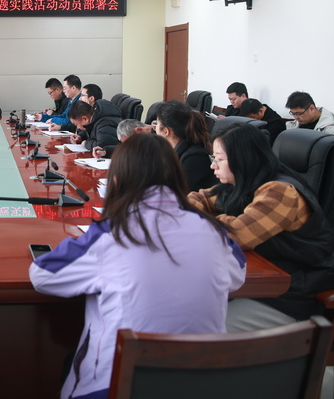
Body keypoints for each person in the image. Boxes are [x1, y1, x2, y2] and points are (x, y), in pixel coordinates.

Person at [29, 133, 245, 399]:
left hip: (119, 385)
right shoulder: (213, 231)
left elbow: (43, 275)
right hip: (202, 385)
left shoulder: (112, 233)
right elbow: (237, 275)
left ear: (116, 179)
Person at [188, 123, 334, 331]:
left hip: (291, 295)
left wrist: (199, 218)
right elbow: (195, 199)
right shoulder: (241, 182)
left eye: (219, 159)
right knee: (189, 309)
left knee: (202, 329)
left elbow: (237, 235)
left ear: (243, 159)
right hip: (261, 280)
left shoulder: (280, 192)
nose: (213, 166)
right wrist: (203, 215)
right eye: (213, 158)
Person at [155, 100, 218, 192]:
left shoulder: (194, 157)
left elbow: (180, 193)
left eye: (156, 123)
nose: (154, 128)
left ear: (166, 131)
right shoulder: (173, 149)